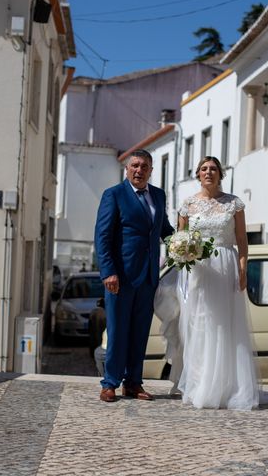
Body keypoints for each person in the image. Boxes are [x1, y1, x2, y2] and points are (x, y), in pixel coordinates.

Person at [176, 156, 259, 410]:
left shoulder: (234, 204)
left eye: (213, 169)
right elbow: (180, 238)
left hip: (225, 264)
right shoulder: (188, 204)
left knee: (225, 325)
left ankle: (228, 387)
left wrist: (243, 267)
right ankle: (201, 384)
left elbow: (242, 239)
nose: (208, 172)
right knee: (201, 324)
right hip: (199, 269)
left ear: (220, 174)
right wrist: (182, 254)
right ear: (198, 174)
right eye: (203, 169)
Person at [94, 149, 174, 403]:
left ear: (151, 170)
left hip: (149, 276)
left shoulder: (159, 196)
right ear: (127, 169)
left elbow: (164, 230)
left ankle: (133, 383)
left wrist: (184, 245)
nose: (139, 170)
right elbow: (102, 237)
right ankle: (110, 383)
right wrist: (108, 272)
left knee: (139, 333)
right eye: (135, 166)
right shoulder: (114, 195)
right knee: (117, 331)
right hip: (120, 277)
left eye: (145, 166)